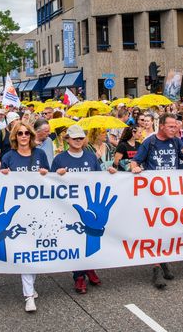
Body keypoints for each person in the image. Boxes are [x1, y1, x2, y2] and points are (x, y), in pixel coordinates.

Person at [130, 113, 183, 287]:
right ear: (162, 126)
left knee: (167, 229)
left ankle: (164, 261)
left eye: (176, 126)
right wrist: (135, 168)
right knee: (155, 230)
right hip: (153, 195)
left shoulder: (176, 141)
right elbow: (134, 162)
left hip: (171, 195)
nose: (176, 129)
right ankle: (156, 268)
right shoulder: (149, 142)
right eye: (171, 126)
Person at [51, 124, 116, 294]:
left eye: (81, 138)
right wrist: (57, 174)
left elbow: (98, 177)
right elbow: (50, 183)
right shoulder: (60, 159)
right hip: (69, 205)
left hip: (89, 203)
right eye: (75, 138)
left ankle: (89, 267)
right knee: (74, 239)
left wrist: (110, 172)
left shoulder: (90, 157)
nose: (78, 141)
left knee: (91, 236)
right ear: (68, 140)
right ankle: (78, 275)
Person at [0, 121, 49, 312]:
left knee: (35, 249)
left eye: (26, 133)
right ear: (14, 137)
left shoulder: (40, 154)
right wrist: (2, 174)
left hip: (38, 209)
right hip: (17, 211)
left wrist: (46, 173)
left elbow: (49, 179)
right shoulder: (9, 156)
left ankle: (30, 287)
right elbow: (0, 181)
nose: (23, 136)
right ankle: (28, 295)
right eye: (19, 133)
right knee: (24, 249)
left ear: (31, 135)